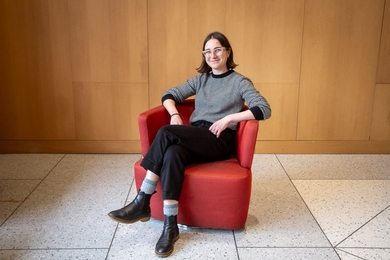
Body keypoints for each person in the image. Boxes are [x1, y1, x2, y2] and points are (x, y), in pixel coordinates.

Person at [108, 31, 271, 257]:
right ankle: (170, 226)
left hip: (218, 141)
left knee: (165, 133)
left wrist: (229, 118)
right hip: (196, 135)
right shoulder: (200, 80)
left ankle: (143, 199)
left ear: (227, 52)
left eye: (217, 50)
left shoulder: (239, 81)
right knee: (173, 152)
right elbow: (169, 94)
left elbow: (263, 109)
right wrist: (174, 114)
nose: (212, 55)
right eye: (207, 51)